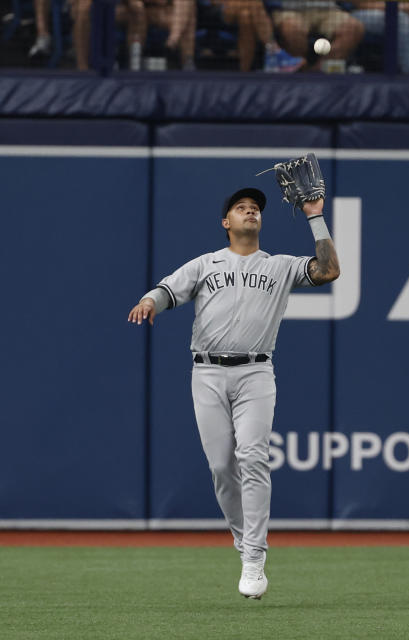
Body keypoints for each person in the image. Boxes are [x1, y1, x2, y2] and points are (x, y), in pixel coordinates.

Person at [127, 187, 340, 599]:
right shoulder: (206, 264)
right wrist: (149, 301)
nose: (250, 212)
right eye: (241, 208)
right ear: (227, 222)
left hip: (256, 372)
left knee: (253, 458)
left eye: (256, 208)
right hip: (207, 371)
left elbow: (328, 271)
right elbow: (167, 290)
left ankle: (254, 558)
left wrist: (315, 215)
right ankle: (245, 543)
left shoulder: (279, 265)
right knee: (223, 467)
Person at [209, 0, 304, 72]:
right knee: (254, 3)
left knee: (245, 17)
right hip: (219, 9)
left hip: (244, 9)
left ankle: (244, 73)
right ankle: (274, 51)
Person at [351, 0, 409, 74]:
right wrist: (399, 7)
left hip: (397, 12)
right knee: (401, 20)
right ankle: (408, 72)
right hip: (362, 13)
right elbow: (361, 4)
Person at [272, 0, 365, 69]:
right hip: (290, 10)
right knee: (292, 29)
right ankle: (299, 69)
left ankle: (318, 71)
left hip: (328, 11)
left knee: (354, 28)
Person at [120, 0, 197, 70]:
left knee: (187, 7)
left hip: (160, 11)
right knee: (137, 8)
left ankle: (176, 43)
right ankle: (134, 60)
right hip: (130, 10)